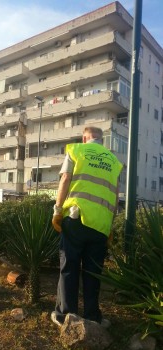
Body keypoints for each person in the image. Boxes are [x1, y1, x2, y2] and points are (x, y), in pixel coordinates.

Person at [51, 126, 123, 327]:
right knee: (93, 272)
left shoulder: (77, 151)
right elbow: (115, 196)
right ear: (102, 140)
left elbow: (65, 178)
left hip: (76, 218)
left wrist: (57, 210)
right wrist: (109, 225)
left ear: (85, 138)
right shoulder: (114, 162)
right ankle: (93, 317)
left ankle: (65, 315)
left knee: (69, 266)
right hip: (101, 225)